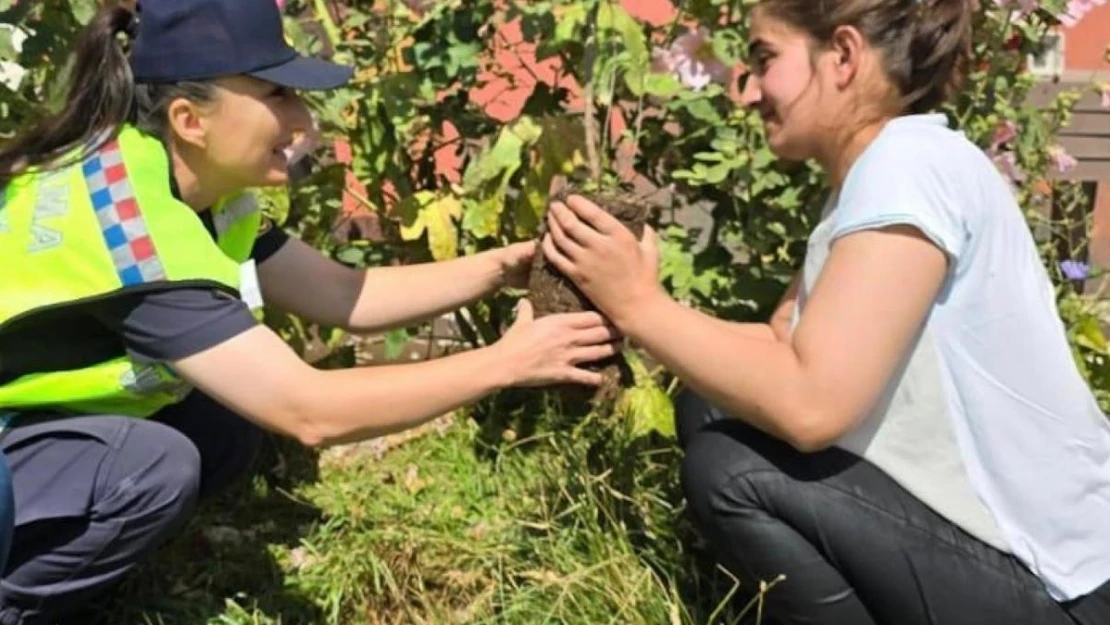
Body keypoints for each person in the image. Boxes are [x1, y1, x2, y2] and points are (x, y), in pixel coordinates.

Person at [0, 0, 620, 622]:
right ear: (191, 119)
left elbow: (345, 296)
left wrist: (496, 269)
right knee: (156, 466)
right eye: (279, 97)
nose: (306, 125)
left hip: (28, 425)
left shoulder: (170, 175)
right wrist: (506, 364)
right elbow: (309, 412)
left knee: (223, 421)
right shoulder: (138, 242)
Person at [541, 0, 1110, 623]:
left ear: (842, 56)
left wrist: (639, 305)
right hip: (1036, 570)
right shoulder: (887, 167)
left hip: (1065, 590)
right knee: (710, 404)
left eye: (765, 59)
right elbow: (779, 342)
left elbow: (811, 407)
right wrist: (639, 309)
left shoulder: (907, 169)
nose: (749, 89)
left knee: (732, 472)